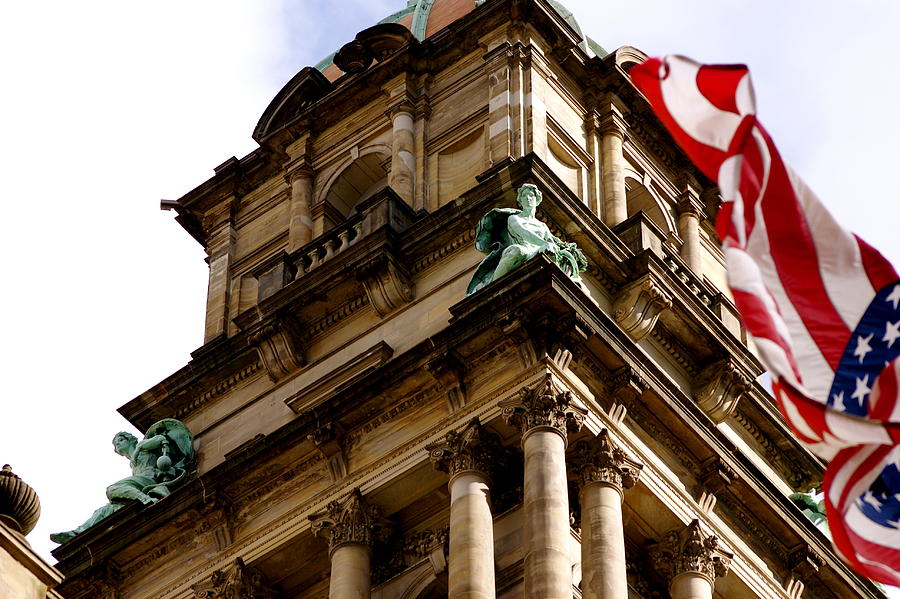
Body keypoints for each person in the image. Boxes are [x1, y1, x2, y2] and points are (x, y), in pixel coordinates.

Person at [50, 419, 193, 543]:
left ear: (130, 439)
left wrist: (140, 447)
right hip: (140, 483)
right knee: (106, 509)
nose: (117, 445)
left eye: (120, 440)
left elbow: (161, 439)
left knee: (113, 489)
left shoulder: (141, 447)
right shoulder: (132, 463)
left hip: (150, 479)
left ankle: (145, 499)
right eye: (115, 444)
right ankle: (77, 534)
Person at [466, 184, 587, 295]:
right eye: (524, 196)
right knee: (517, 250)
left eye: (531, 196)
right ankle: (492, 286)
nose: (528, 198)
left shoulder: (542, 226)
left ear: (537, 200)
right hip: (525, 248)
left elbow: (551, 242)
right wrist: (544, 244)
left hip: (540, 251)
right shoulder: (514, 218)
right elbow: (524, 233)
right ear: (520, 201)